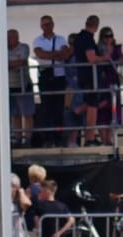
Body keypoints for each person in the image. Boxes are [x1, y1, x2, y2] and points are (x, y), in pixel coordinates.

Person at [32, 16, 70, 145]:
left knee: (59, 108)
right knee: (46, 108)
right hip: (45, 76)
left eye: (48, 24)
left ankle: (58, 136)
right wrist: (56, 54)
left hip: (59, 76)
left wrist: (49, 54)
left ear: (53, 24)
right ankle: (47, 137)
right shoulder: (37, 40)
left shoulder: (61, 39)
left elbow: (65, 55)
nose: (46, 26)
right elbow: (40, 54)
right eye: (44, 24)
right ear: (41, 26)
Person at [68, 15, 101, 140]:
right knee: (92, 107)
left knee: (88, 105)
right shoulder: (87, 38)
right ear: (96, 26)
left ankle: (87, 136)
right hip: (90, 77)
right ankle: (90, 138)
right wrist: (104, 58)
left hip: (82, 77)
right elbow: (91, 58)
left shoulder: (79, 38)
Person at [6, 30, 34, 144]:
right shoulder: (2, 48)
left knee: (27, 113)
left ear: (17, 37)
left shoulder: (24, 47)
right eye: (7, 37)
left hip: (23, 85)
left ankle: (27, 139)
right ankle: (17, 139)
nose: (8, 40)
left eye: (11, 37)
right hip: (8, 86)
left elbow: (22, 62)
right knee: (15, 114)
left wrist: (7, 64)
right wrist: (13, 63)